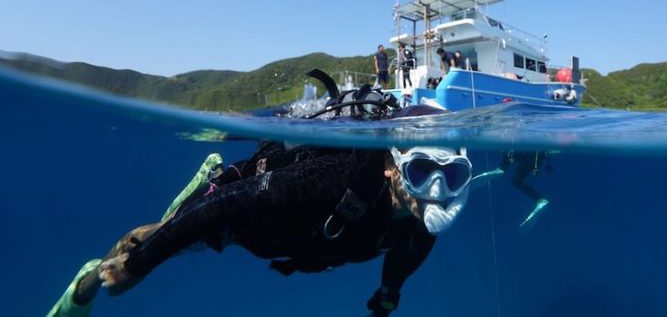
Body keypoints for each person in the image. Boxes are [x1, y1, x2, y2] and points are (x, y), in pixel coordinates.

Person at [49, 142, 472, 317]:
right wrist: (139, 265)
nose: (434, 192)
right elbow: (225, 206)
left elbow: (403, 258)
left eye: (451, 178)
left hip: (279, 242)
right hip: (236, 212)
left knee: (169, 234)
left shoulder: (421, 223)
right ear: (391, 167)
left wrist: (386, 296)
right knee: (144, 240)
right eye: (419, 172)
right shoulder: (337, 179)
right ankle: (82, 290)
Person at [470, 150, 551, 232]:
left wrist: (535, 167)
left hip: (530, 156)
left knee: (516, 176)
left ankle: (501, 169)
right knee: (516, 181)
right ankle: (540, 200)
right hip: (531, 158)